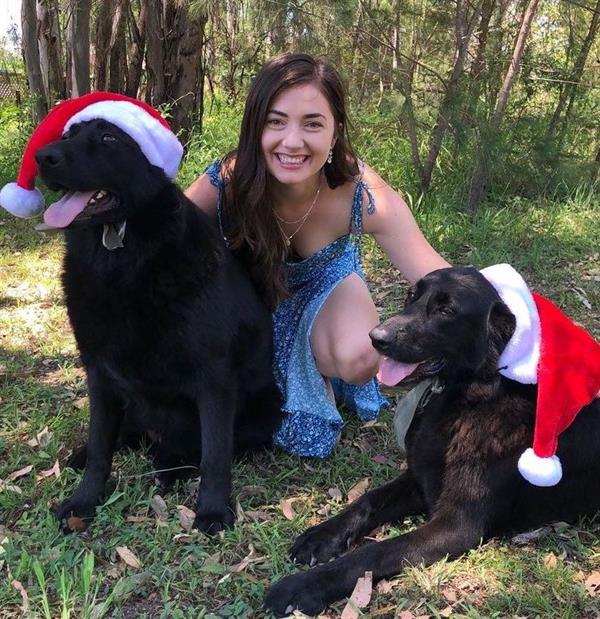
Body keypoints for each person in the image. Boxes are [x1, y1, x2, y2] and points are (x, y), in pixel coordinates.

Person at [185, 53, 449, 458]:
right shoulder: (227, 180)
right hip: (248, 304)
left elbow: (437, 276)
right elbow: (164, 235)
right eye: (276, 121)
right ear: (255, 126)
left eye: (312, 123)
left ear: (335, 129)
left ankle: (324, 368)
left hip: (328, 290)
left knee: (360, 355)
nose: (292, 141)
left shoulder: (361, 191)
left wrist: (518, 318)